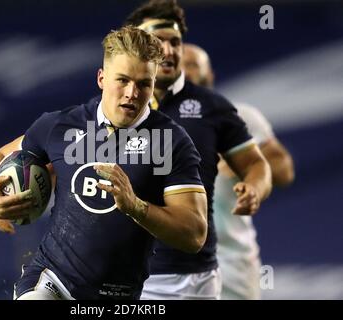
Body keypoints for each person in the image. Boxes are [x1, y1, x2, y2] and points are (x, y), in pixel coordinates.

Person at [0, 26, 208, 300]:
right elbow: (3, 155)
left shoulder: (170, 141)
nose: (132, 93)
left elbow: (194, 235)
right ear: (101, 78)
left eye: (144, 83)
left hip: (119, 294)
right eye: (122, 80)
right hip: (52, 280)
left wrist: (136, 207)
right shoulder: (60, 125)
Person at [124, 0, 272, 299]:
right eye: (157, 42)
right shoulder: (113, 105)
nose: (168, 51)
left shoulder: (211, 107)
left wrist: (255, 188)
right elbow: (62, 153)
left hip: (190, 276)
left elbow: (257, 164)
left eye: (175, 42)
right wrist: (18, 189)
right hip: (120, 270)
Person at [183, 43, 295, 299]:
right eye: (176, 64)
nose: (184, 71)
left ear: (208, 75)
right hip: (165, 273)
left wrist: (247, 163)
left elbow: (283, 170)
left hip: (230, 271)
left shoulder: (238, 118)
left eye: (192, 64)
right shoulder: (149, 125)